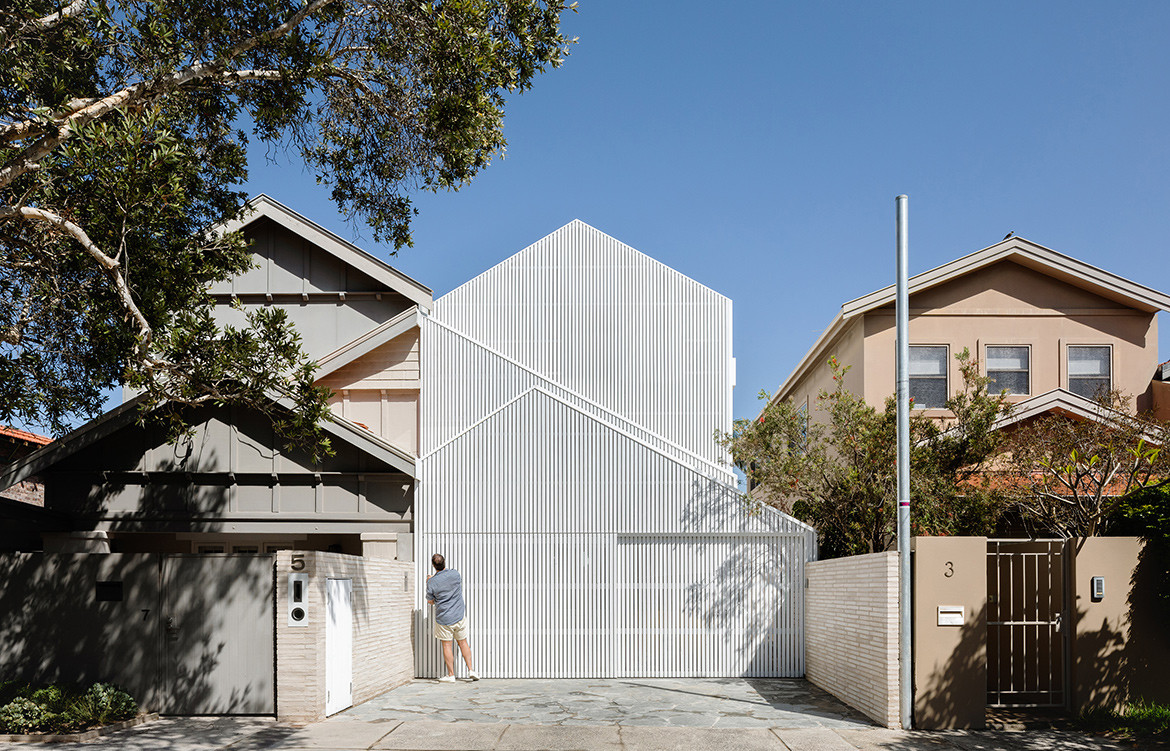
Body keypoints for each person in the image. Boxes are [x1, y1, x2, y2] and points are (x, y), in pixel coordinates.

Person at [425, 553, 479, 682]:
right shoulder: (455, 574)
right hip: (459, 616)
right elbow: (448, 581)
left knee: (447, 646)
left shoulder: (431, 582)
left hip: (444, 619)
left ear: (433, 565)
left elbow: (430, 601)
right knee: (463, 642)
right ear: (444, 563)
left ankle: (451, 675)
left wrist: (430, 580)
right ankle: (471, 670)